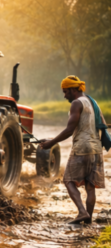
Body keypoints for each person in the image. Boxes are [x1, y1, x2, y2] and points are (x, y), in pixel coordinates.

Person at [40, 76, 105, 224]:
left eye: (65, 92)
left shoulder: (76, 103)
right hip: (96, 148)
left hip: (81, 147)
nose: (64, 96)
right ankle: (88, 219)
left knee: (68, 180)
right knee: (90, 187)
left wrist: (51, 143)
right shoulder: (92, 102)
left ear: (73, 89)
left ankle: (82, 212)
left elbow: (69, 130)